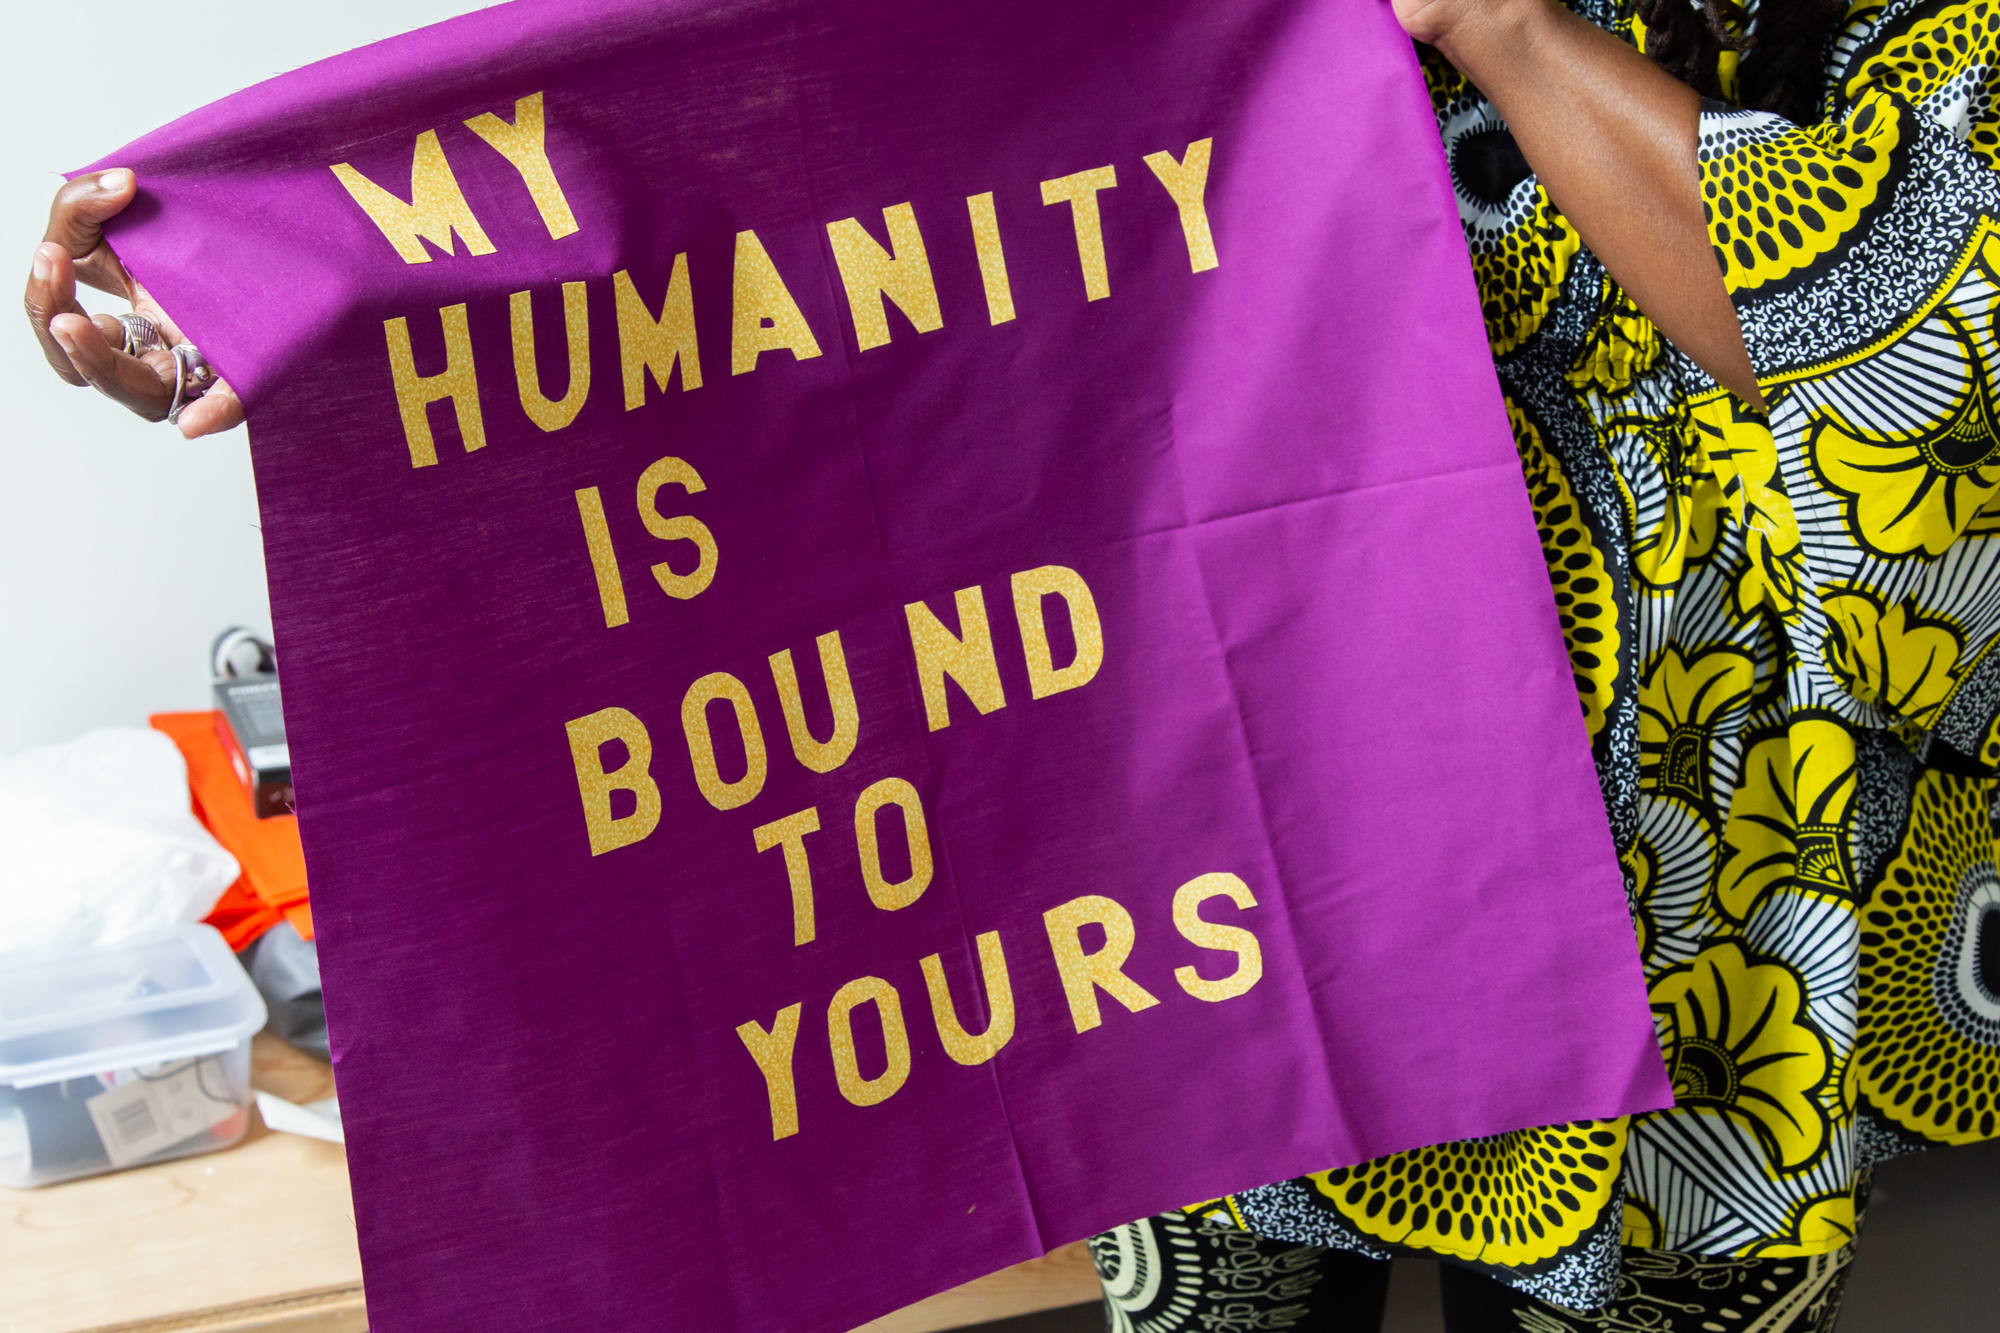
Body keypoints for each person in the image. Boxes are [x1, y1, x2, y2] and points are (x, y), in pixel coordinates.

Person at [24, 0, 2000, 1329]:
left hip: (1714, 940)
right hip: (1236, 892)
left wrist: (1487, 13)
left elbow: (1905, 369)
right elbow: (801, 230)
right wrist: (288, 316)